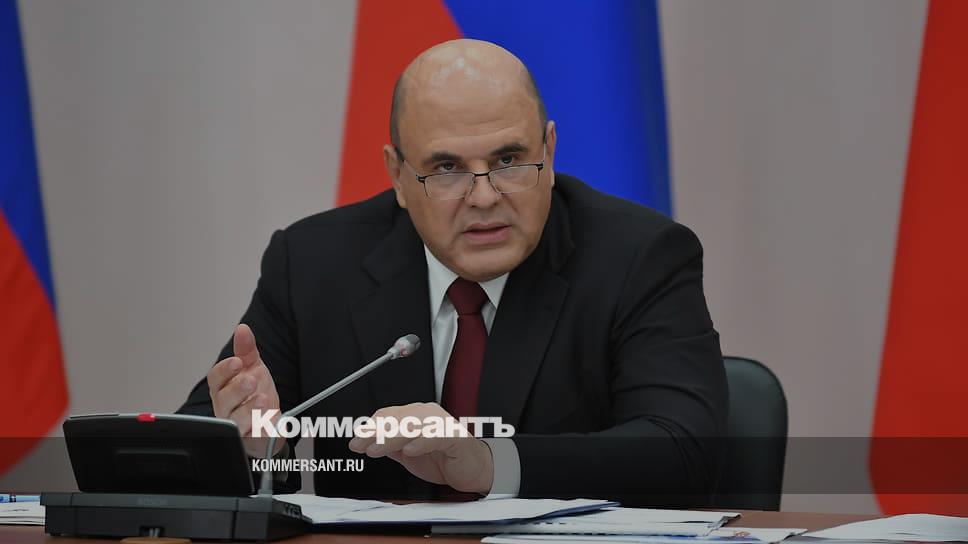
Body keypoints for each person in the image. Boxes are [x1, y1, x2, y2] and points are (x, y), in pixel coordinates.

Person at [179, 39, 728, 506]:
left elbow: (684, 451)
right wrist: (250, 450)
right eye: (447, 169)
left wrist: (490, 463)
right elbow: (190, 455)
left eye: (509, 161)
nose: (484, 197)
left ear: (550, 151)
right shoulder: (313, 263)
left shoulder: (639, 256)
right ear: (397, 175)